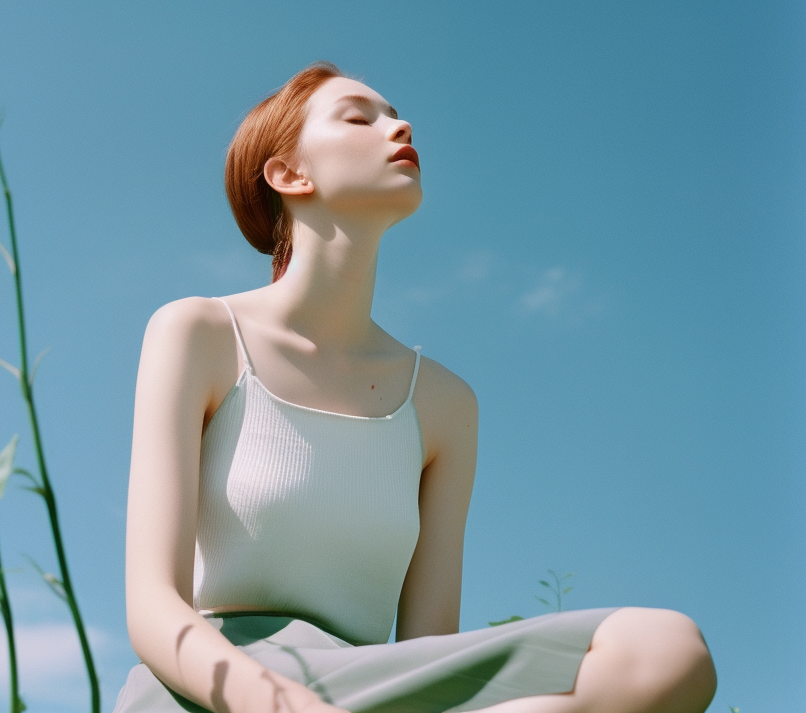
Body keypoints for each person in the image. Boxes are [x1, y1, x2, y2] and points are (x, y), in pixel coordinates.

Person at [119, 63, 717, 713]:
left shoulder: (444, 405)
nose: (399, 126)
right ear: (290, 175)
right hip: (215, 686)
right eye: (358, 116)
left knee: (667, 649)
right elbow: (153, 606)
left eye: (396, 113)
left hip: (371, 687)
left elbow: (433, 651)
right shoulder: (199, 333)